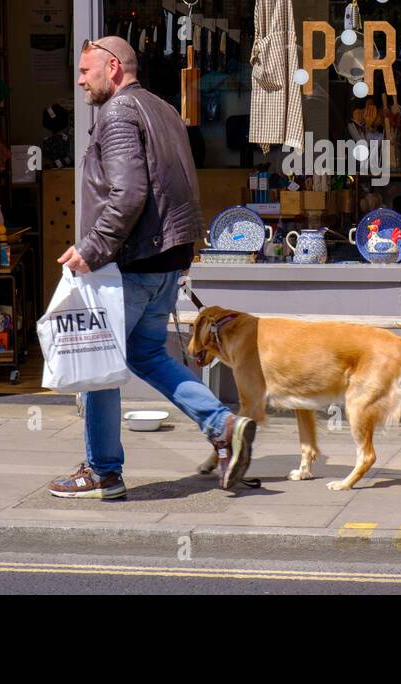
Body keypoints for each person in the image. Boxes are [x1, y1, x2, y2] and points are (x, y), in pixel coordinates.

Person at [50, 36, 256, 498]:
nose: (80, 81)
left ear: (113, 69)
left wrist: (93, 248)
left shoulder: (120, 113)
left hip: (131, 262)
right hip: (165, 262)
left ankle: (102, 470)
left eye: (86, 72)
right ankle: (223, 425)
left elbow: (129, 193)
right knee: (145, 355)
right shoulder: (163, 110)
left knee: (100, 362)